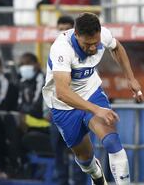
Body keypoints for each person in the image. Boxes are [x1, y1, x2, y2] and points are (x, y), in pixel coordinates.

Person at [42, 12, 144, 185]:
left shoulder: (102, 34)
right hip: (63, 105)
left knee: (112, 141)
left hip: (91, 93)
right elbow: (63, 93)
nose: (92, 48)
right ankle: (96, 175)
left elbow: (117, 48)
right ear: (76, 35)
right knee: (85, 158)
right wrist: (97, 110)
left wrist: (131, 78)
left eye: (95, 43)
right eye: (87, 44)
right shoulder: (61, 49)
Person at [50, 15, 88, 185]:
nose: (62, 31)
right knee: (58, 155)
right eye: (60, 28)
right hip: (55, 111)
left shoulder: (82, 55)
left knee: (80, 155)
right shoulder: (52, 52)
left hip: (76, 112)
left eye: (66, 28)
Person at [0, 55, 18, 178]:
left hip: (6, 121)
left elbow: (12, 107)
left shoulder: (11, 86)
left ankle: (5, 166)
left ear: (0, 68)